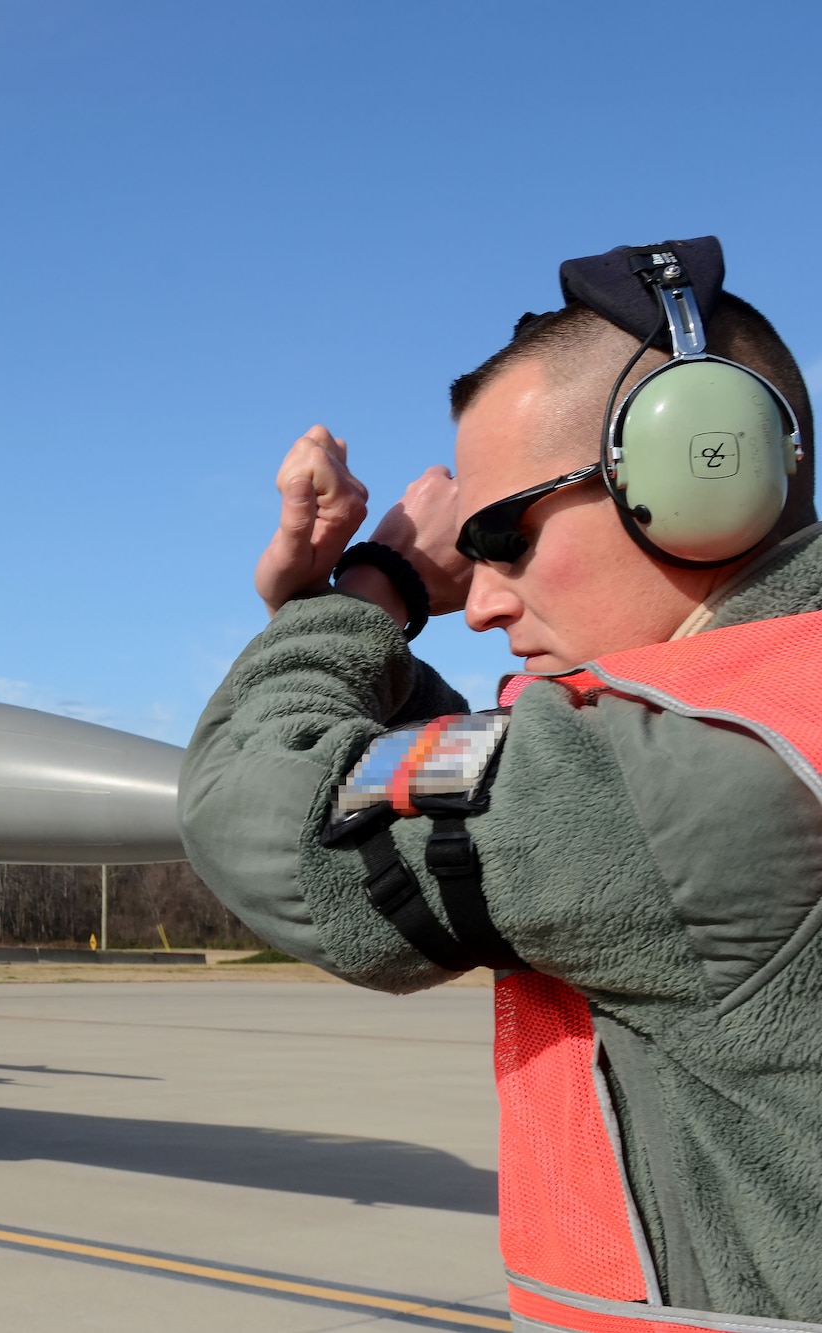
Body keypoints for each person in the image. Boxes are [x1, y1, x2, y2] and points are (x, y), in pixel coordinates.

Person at [179, 237, 822, 1329]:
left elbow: (256, 812)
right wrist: (331, 619)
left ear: (696, 470)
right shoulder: (766, 718)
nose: (474, 601)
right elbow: (482, 775)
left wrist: (370, 592)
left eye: (499, 536)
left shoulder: (696, 775)